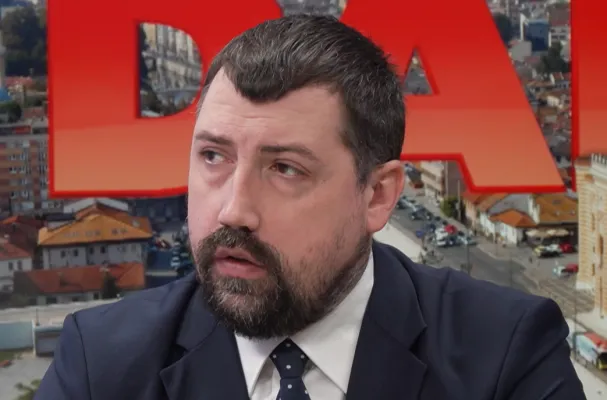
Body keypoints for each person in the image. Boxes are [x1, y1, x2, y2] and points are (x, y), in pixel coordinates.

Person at [36, 15, 584, 400]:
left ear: (378, 195)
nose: (233, 211)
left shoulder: (507, 354)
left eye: (285, 169)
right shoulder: (99, 364)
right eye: (213, 156)